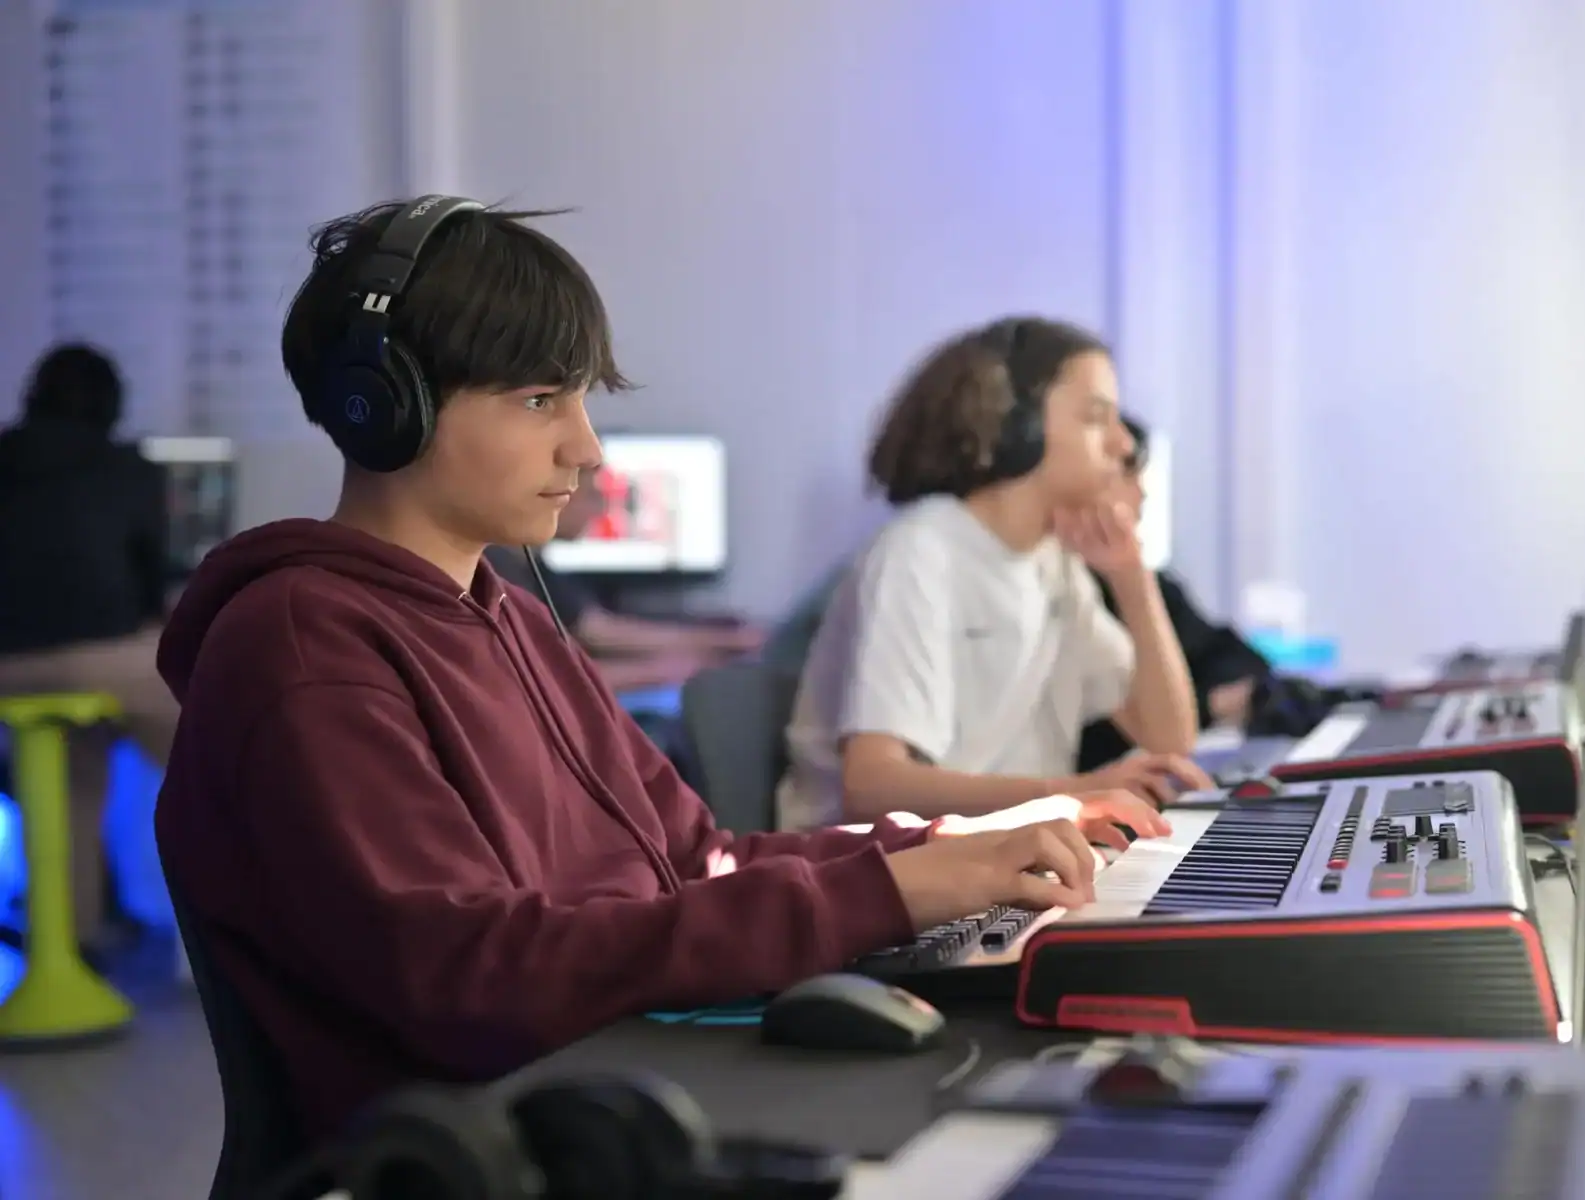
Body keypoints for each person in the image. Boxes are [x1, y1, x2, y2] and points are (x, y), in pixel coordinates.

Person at [152, 200, 1168, 1148]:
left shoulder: (515, 626)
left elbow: (702, 860)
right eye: (540, 398)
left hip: (607, 1072)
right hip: (481, 1141)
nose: (587, 448)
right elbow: (467, 978)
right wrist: (889, 895)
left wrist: (949, 850)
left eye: (581, 400)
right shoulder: (305, 647)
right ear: (386, 407)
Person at [776, 317, 1210, 832]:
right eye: (1096, 419)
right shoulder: (920, 552)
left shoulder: (1054, 564)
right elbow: (872, 788)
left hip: (998, 860)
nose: (1122, 444)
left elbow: (1169, 741)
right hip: (875, 878)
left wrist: (1130, 576)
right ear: (1016, 428)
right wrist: (1072, 794)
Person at [0, 343, 176, 949]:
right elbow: (152, 588)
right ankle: (253, 916)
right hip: (100, 655)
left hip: (5, 667)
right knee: (217, 751)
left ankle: (70, 943)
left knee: (75, 771)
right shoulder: (126, 467)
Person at [1078, 416, 1273, 770]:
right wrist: (1212, 703)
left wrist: (1132, 574)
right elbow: (1109, 736)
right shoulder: (1075, 585)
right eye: (1128, 472)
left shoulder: (1152, 583)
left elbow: (1236, 657)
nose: (1143, 492)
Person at [484, 469, 760, 692]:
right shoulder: (499, 569)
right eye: (592, 494)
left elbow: (599, 631)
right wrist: (666, 669)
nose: (601, 508)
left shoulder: (531, 564)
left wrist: (720, 644)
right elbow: (550, 679)